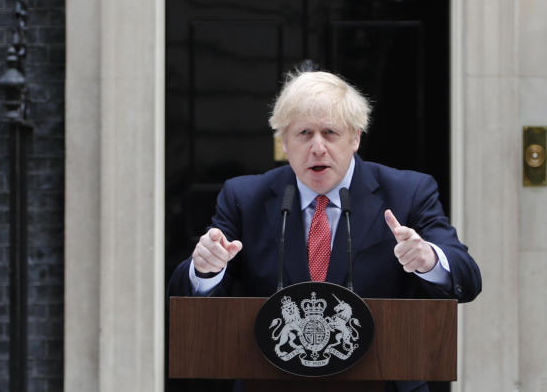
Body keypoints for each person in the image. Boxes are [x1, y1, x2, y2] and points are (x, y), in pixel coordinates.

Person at [168, 69, 482, 390]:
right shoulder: (244, 198)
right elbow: (186, 294)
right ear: (284, 143)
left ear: (355, 138)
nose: (318, 147)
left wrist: (428, 260)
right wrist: (205, 269)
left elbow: (466, 278)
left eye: (330, 132)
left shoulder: (408, 192)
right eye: (304, 133)